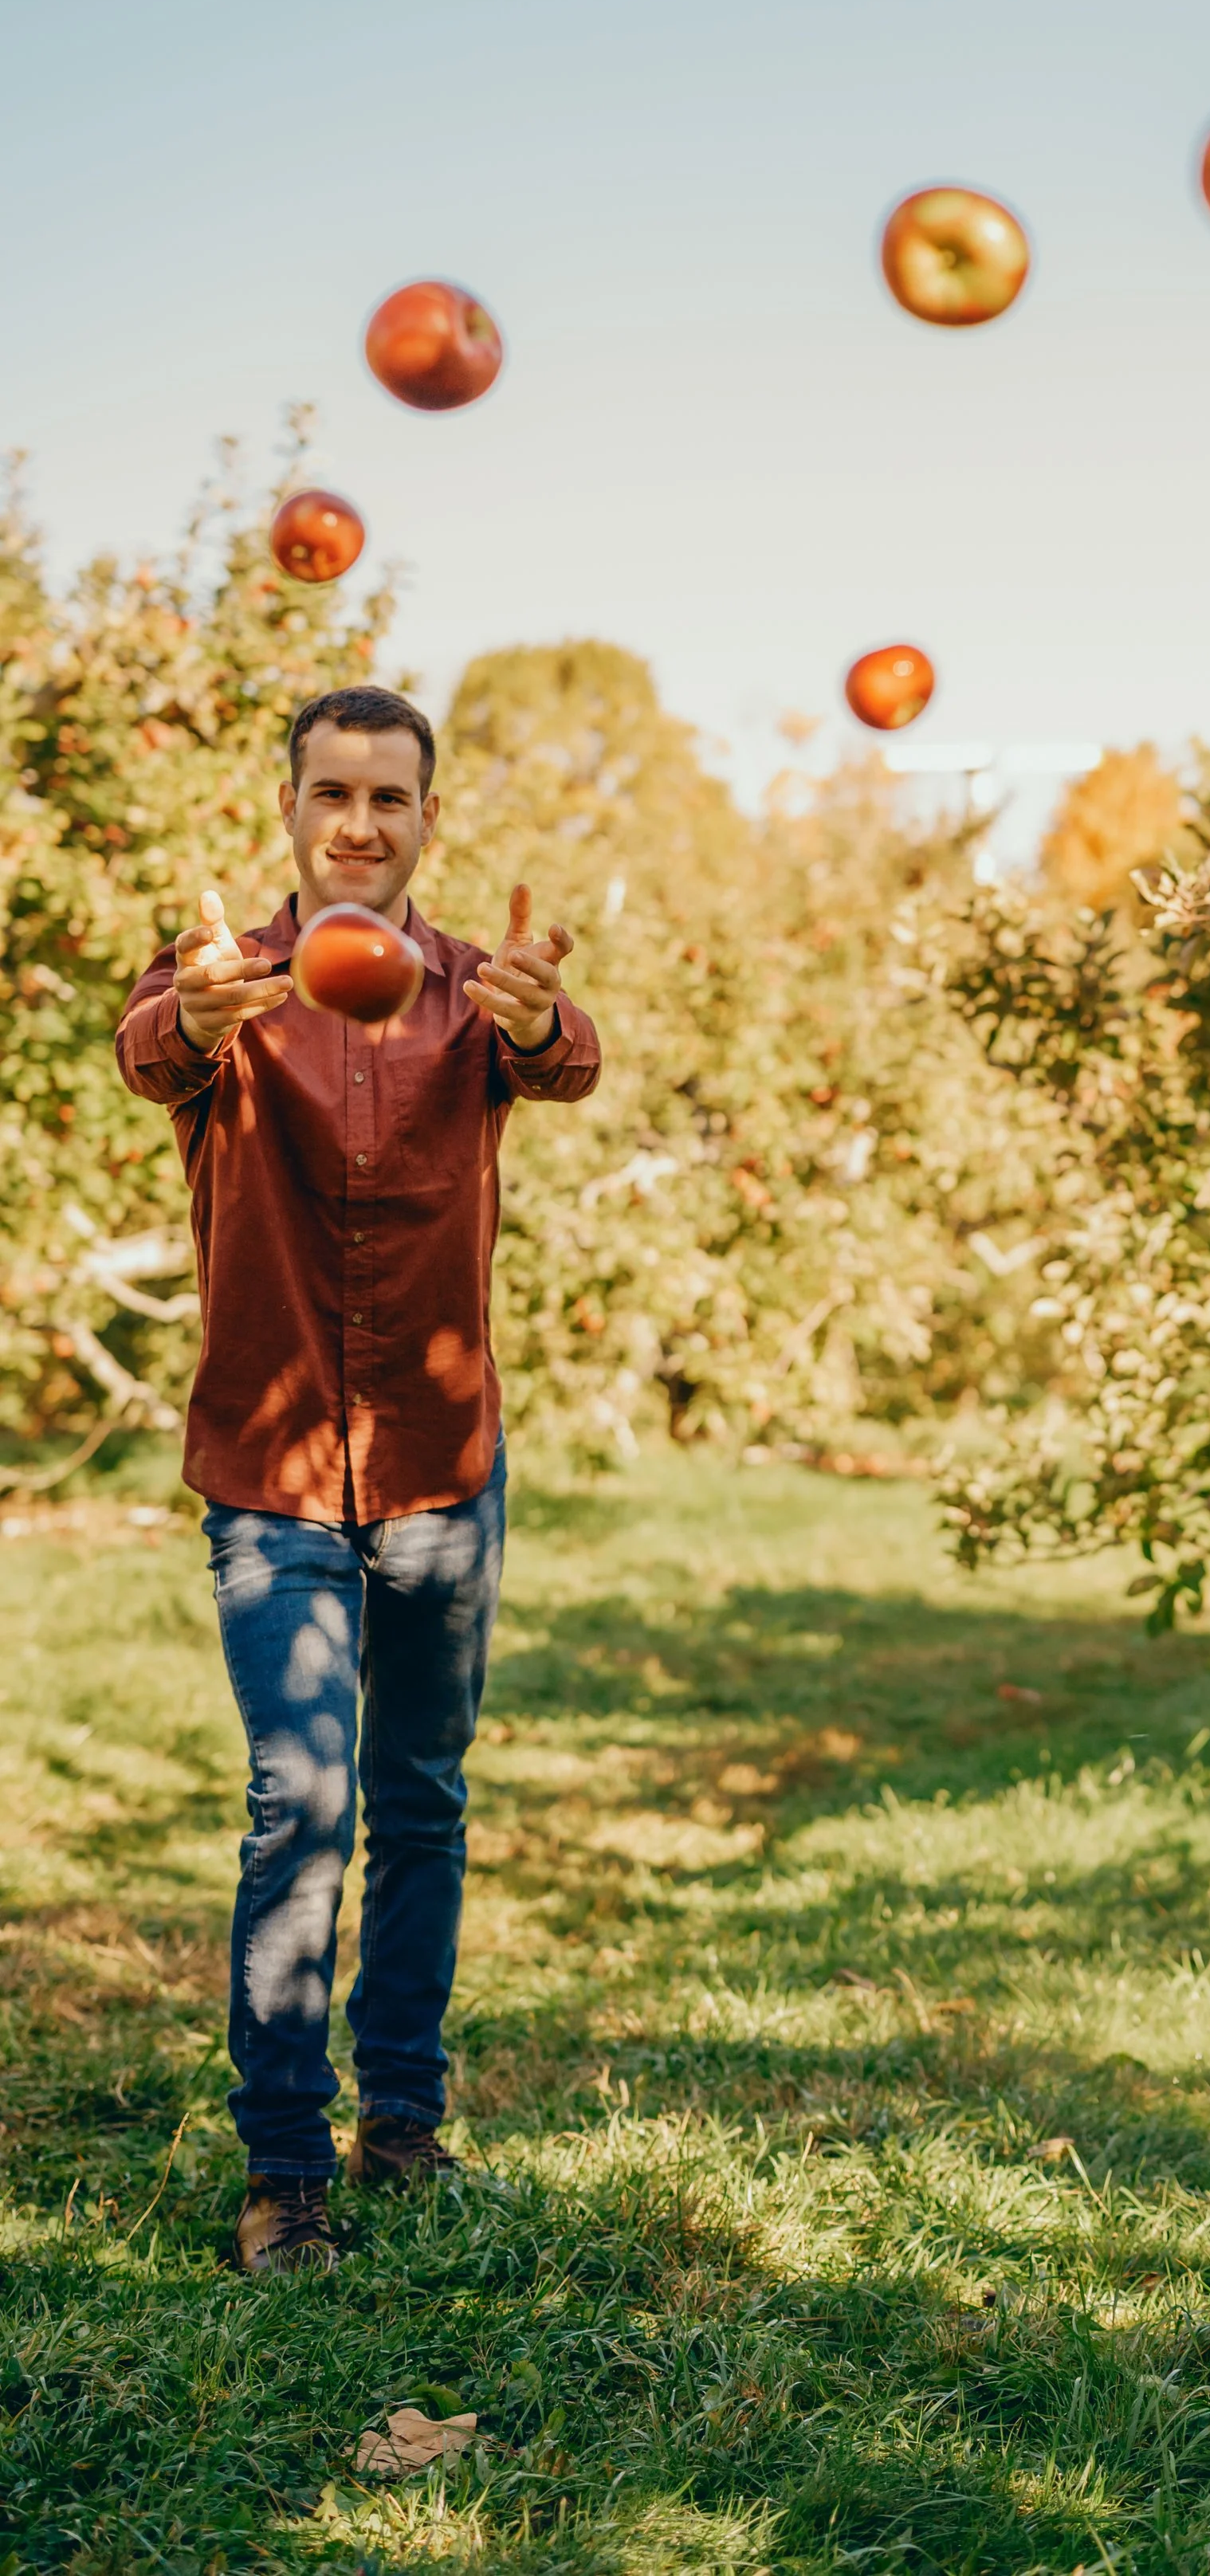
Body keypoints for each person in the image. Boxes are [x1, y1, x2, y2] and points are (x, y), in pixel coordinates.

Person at [115, 683, 601, 2273]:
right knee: (300, 1805)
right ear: (291, 809)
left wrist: (536, 1018)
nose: (360, 824)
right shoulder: (225, 986)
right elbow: (149, 1047)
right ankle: (285, 2175)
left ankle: (402, 2127)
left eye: (391, 799)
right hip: (269, 1474)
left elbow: (568, 1056)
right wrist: (191, 1016)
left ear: (426, 822)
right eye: (334, 793)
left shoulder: (474, 994)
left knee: (423, 1803)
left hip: (440, 1472)